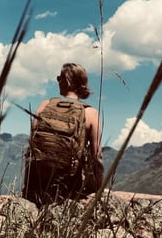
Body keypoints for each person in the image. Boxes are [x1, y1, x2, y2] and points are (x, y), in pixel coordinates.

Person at [22, 63, 104, 207]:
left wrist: (27, 189)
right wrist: (97, 190)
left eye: (59, 78)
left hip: (38, 185)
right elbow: (96, 157)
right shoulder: (91, 114)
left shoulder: (44, 105)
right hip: (68, 187)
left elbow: (32, 149)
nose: (58, 81)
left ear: (67, 80)